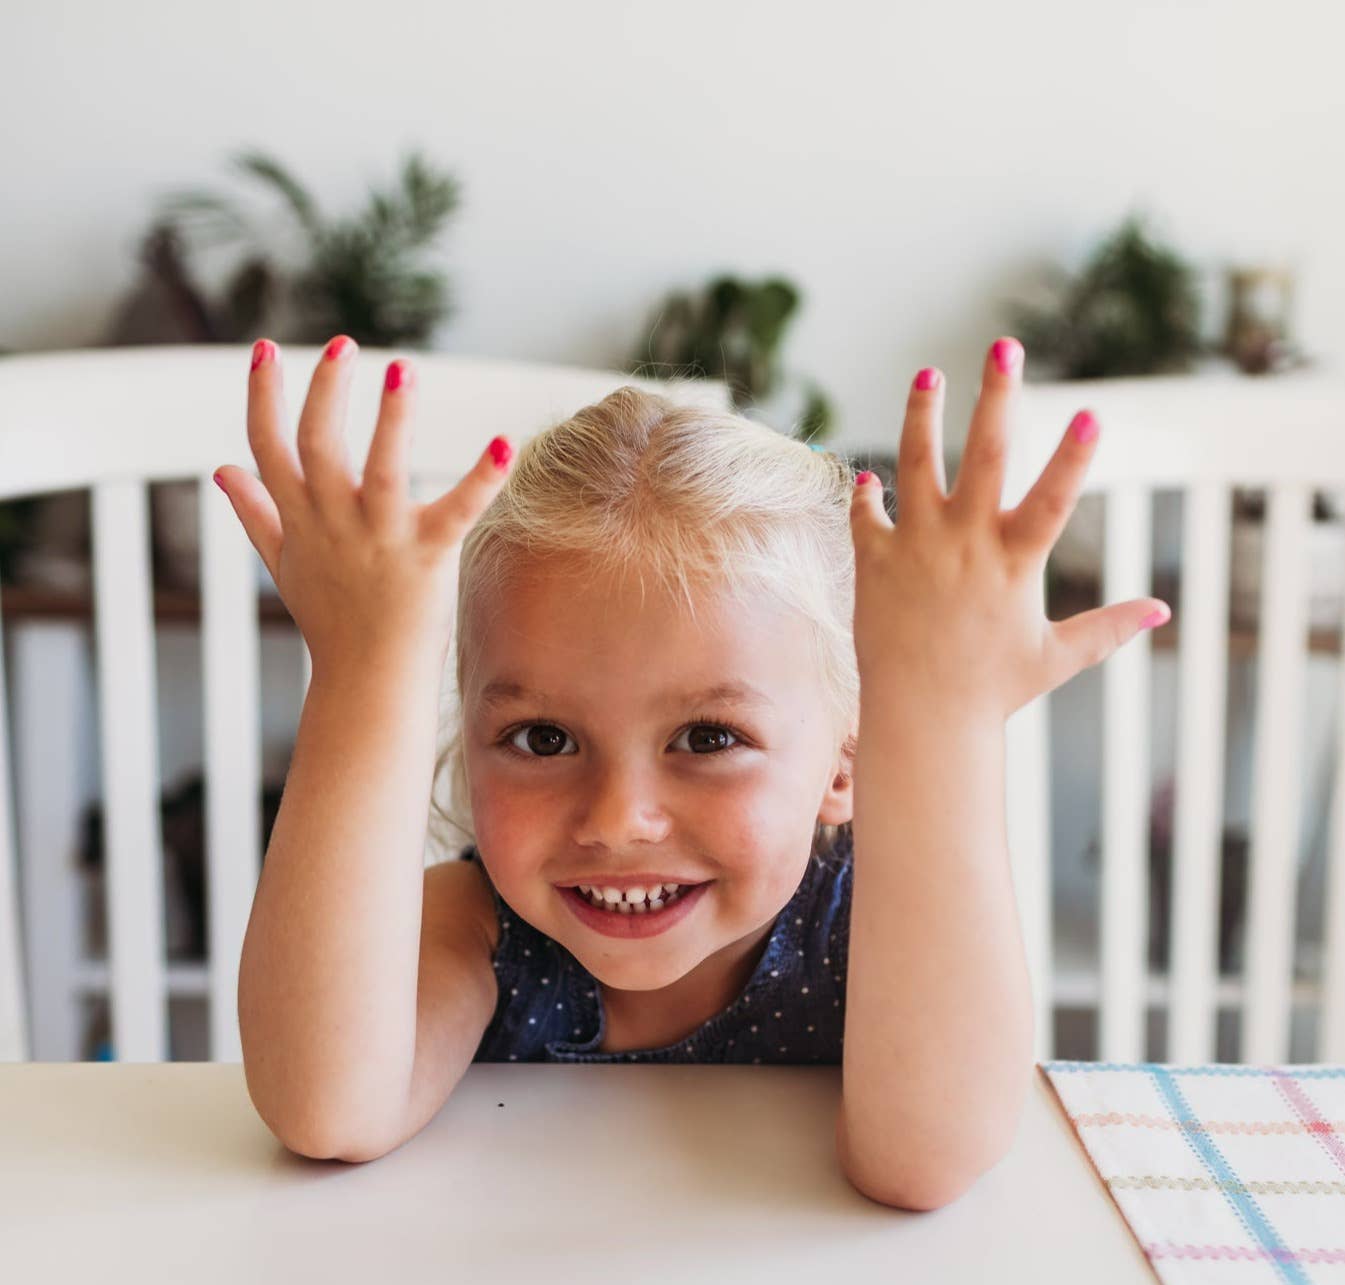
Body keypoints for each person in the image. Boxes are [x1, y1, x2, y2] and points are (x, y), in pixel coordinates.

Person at [219, 333, 1170, 1206]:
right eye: (543, 739)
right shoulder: (475, 930)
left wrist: (944, 718)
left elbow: (924, 1161)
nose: (619, 818)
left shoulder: (877, 929)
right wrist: (363, 666)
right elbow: (326, 1111)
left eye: (708, 738)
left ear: (845, 763)